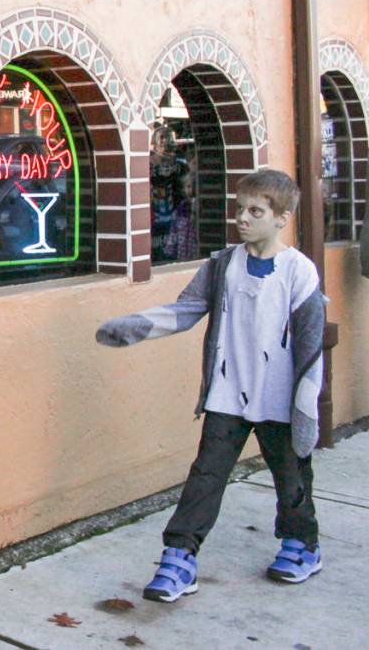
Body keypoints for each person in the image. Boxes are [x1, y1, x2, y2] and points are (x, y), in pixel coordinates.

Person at [96, 169, 325, 603]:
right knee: (206, 476)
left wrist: (305, 410)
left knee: (292, 477)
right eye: (240, 209)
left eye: (255, 211)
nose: (242, 218)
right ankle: (179, 558)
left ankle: (302, 543)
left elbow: (311, 348)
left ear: (282, 218)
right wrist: (137, 325)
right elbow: (185, 309)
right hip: (227, 395)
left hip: (280, 400)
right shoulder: (222, 265)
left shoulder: (299, 272)